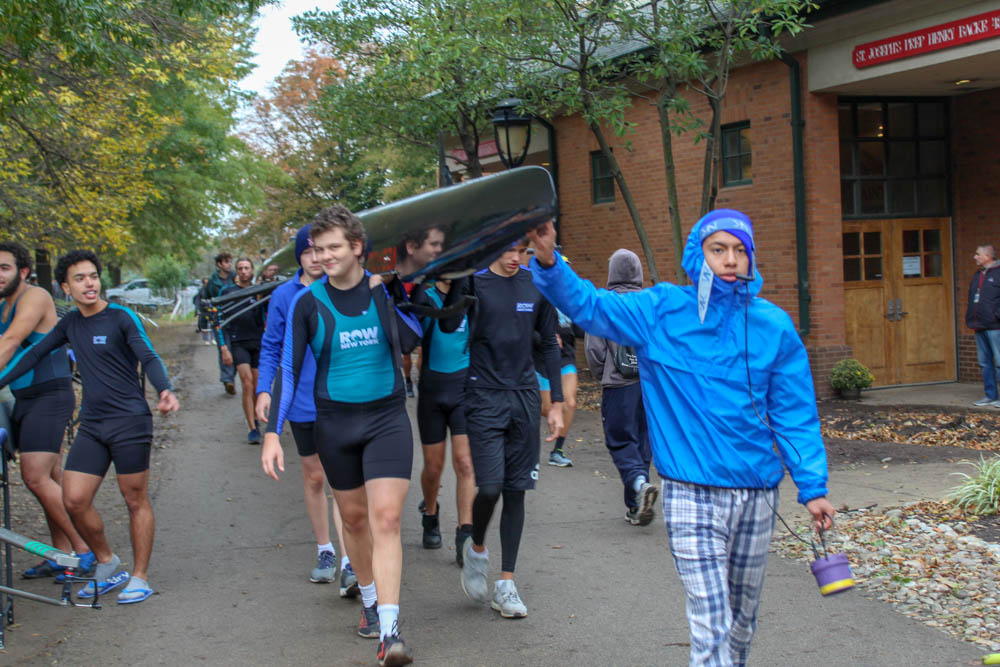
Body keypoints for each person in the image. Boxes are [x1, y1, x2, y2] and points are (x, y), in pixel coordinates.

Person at [527, 211, 836, 666]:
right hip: (691, 492)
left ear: (751, 258)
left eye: (740, 250)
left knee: (741, 621)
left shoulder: (774, 327)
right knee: (711, 621)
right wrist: (549, 259)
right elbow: (590, 305)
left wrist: (814, 489)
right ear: (698, 255)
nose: (730, 260)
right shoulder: (662, 311)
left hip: (756, 496)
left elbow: (795, 415)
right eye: (718, 249)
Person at [264, 205, 421, 666]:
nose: (324, 256)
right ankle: (370, 602)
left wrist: (392, 294)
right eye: (318, 248)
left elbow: (413, 339)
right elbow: (288, 371)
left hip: (387, 418)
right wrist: (273, 433)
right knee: (353, 521)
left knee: (387, 519)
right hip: (335, 424)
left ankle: (390, 632)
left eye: (334, 247)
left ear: (357, 248)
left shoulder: (381, 292)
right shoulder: (306, 304)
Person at [0, 249, 179, 604]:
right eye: (79, 279)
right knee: (75, 499)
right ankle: (107, 562)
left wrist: (165, 390)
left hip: (129, 421)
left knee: (134, 499)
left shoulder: (122, 317)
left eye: (93, 276)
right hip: (93, 424)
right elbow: (34, 355)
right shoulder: (70, 324)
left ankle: (140, 576)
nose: (89, 284)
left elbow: (149, 357)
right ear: (66, 287)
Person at [447, 238, 564, 620]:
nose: (516, 259)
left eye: (523, 252)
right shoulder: (475, 282)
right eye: (508, 251)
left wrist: (557, 403)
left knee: (516, 492)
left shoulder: (535, 285)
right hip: (483, 396)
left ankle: (506, 583)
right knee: (491, 488)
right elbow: (450, 325)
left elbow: (549, 343)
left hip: (525, 398)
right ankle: (476, 548)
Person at [256, 224, 356, 593]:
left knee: (339, 481)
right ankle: (325, 549)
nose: (317, 259)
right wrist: (264, 389)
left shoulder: (340, 288)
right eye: (309, 252)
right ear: (299, 256)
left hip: (339, 397)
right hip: (300, 401)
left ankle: (350, 560)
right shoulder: (285, 296)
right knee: (314, 477)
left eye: (322, 251)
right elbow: (270, 347)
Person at [0, 242, 95, 580]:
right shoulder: (3, 304)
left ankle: (86, 551)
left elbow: (11, 341)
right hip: (26, 397)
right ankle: (62, 554)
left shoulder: (35, 296)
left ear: (23, 271)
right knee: (50, 479)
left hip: (50, 395)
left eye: (5, 268)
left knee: (35, 476)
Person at [583, 249, 657, 526]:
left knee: (621, 441)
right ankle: (637, 501)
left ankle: (638, 488)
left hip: (619, 384)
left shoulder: (605, 304)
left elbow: (594, 350)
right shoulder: (649, 303)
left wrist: (604, 374)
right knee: (643, 441)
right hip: (649, 386)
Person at [410, 278, 475, 561]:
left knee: (464, 462)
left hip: (464, 389)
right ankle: (431, 514)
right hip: (433, 391)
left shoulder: (471, 295)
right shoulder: (426, 296)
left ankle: (465, 533)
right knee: (434, 468)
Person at [218, 258, 266, 444]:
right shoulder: (227, 291)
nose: (244, 271)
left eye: (247, 268)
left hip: (258, 342)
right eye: (240, 269)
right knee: (246, 383)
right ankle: (252, 427)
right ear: (236, 272)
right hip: (238, 343)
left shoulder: (260, 291)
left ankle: (256, 415)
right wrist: (224, 347)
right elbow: (219, 321)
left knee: (256, 385)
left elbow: (267, 315)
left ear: (252, 270)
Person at [395, 226, 444, 398]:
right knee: (406, 354)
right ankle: (408, 380)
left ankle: (422, 381)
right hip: (405, 316)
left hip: (420, 315)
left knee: (423, 352)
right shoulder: (399, 270)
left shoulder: (425, 270)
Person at [534, 298, 582, 468]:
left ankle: (557, 452)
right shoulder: (537, 296)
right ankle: (528, 450)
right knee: (547, 409)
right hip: (543, 359)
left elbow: (578, 330)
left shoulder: (567, 301)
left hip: (566, 358)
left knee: (569, 403)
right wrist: (544, 338)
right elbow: (525, 329)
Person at [966, 244, 1000, 408]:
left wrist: (996, 316)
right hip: (979, 325)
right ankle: (990, 396)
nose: (975, 257)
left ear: (988, 256)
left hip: (995, 326)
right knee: (985, 363)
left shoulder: (998, 273)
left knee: (999, 362)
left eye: (977, 254)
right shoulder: (978, 274)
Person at [205, 252, 236, 395]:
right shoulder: (213, 282)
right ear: (219, 264)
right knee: (224, 348)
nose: (229, 264)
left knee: (236, 348)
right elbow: (207, 300)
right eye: (226, 262)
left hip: (235, 317)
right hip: (219, 318)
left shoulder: (235, 278)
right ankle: (228, 379)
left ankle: (231, 377)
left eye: (230, 261)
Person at [194, 278, 212, 344]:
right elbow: (197, 301)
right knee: (204, 325)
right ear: (203, 283)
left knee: (213, 324)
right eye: (205, 283)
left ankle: (213, 339)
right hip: (203, 310)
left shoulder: (212, 290)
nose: (206, 284)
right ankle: (206, 340)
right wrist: (197, 310)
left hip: (211, 310)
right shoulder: (200, 291)